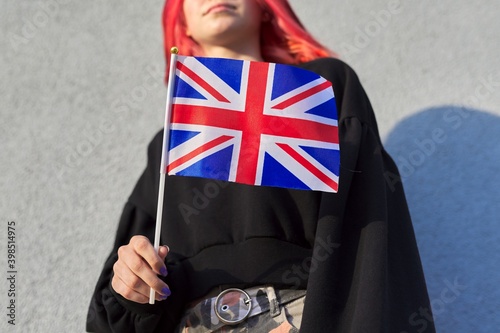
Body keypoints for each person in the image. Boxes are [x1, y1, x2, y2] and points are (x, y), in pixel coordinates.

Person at [87, 0, 435, 332]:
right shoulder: (170, 140)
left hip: (303, 316)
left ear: (265, 8)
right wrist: (134, 283)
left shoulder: (321, 88)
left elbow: (366, 229)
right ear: (182, 22)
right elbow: (116, 312)